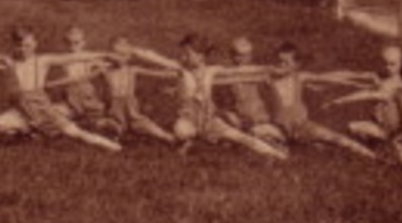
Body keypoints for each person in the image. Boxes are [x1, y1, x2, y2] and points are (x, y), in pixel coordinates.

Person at [158, 36, 288, 160]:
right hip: (190, 120)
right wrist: (137, 51)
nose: (183, 57)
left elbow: (240, 71)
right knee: (181, 130)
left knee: (240, 138)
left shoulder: (211, 71)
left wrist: (269, 69)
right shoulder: (182, 70)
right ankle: (188, 142)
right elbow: (155, 58)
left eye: (188, 54)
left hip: (209, 121)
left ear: (200, 56)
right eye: (183, 54)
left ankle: (276, 154)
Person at [0, 26, 122, 150]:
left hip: (47, 108)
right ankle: (30, 133)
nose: (24, 49)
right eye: (19, 46)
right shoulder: (11, 62)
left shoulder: (43, 60)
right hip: (25, 110)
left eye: (28, 45)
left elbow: (75, 58)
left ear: (35, 44)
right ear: (13, 46)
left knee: (76, 133)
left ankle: (114, 147)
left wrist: (105, 55)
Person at [262, 43, 376, 160]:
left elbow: (329, 76)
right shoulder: (269, 79)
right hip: (279, 129)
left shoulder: (299, 77)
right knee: (270, 142)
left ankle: (373, 156)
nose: (281, 65)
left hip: (302, 126)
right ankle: (297, 146)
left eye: (286, 62)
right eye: (279, 61)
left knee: (337, 139)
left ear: (296, 65)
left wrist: (362, 76)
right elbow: (246, 72)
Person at [93, 35, 179, 144]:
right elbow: (90, 68)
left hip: (130, 106)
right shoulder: (105, 71)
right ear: (110, 55)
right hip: (113, 108)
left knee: (142, 123)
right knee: (104, 123)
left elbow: (156, 74)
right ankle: (116, 130)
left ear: (129, 56)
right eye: (115, 54)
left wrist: (174, 73)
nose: (119, 58)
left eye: (122, 55)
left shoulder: (132, 70)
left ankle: (167, 137)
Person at [216, 37, 279, 141]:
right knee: (228, 119)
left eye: (245, 55)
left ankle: (261, 134)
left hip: (258, 116)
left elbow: (270, 94)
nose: (241, 59)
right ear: (231, 56)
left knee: (267, 132)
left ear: (250, 56)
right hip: (239, 116)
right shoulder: (227, 74)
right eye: (237, 55)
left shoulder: (256, 72)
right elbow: (225, 101)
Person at [344, 44, 402, 143]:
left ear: (401, 64)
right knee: (353, 129)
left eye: (392, 64)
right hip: (376, 123)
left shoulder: (400, 85)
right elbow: (353, 74)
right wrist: (319, 77)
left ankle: (378, 147)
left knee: (351, 128)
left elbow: (369, 95)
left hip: (389, 130)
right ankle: (374, 144)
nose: (387, 67)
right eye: (384, 63)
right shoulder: (378, 77)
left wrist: (339, 101)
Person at [55, 25, 110, 125]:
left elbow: (105, 67)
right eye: (68, 43)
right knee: (57, 112)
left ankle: (93, 117)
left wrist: (104, 74)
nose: (72, 46)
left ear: (83, 43)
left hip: (85, 91)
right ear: (64, 43)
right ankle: (76, 116)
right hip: (70, 92)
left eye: (76, 43)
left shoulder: (87, 56)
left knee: (96, 116)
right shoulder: (62, 58)